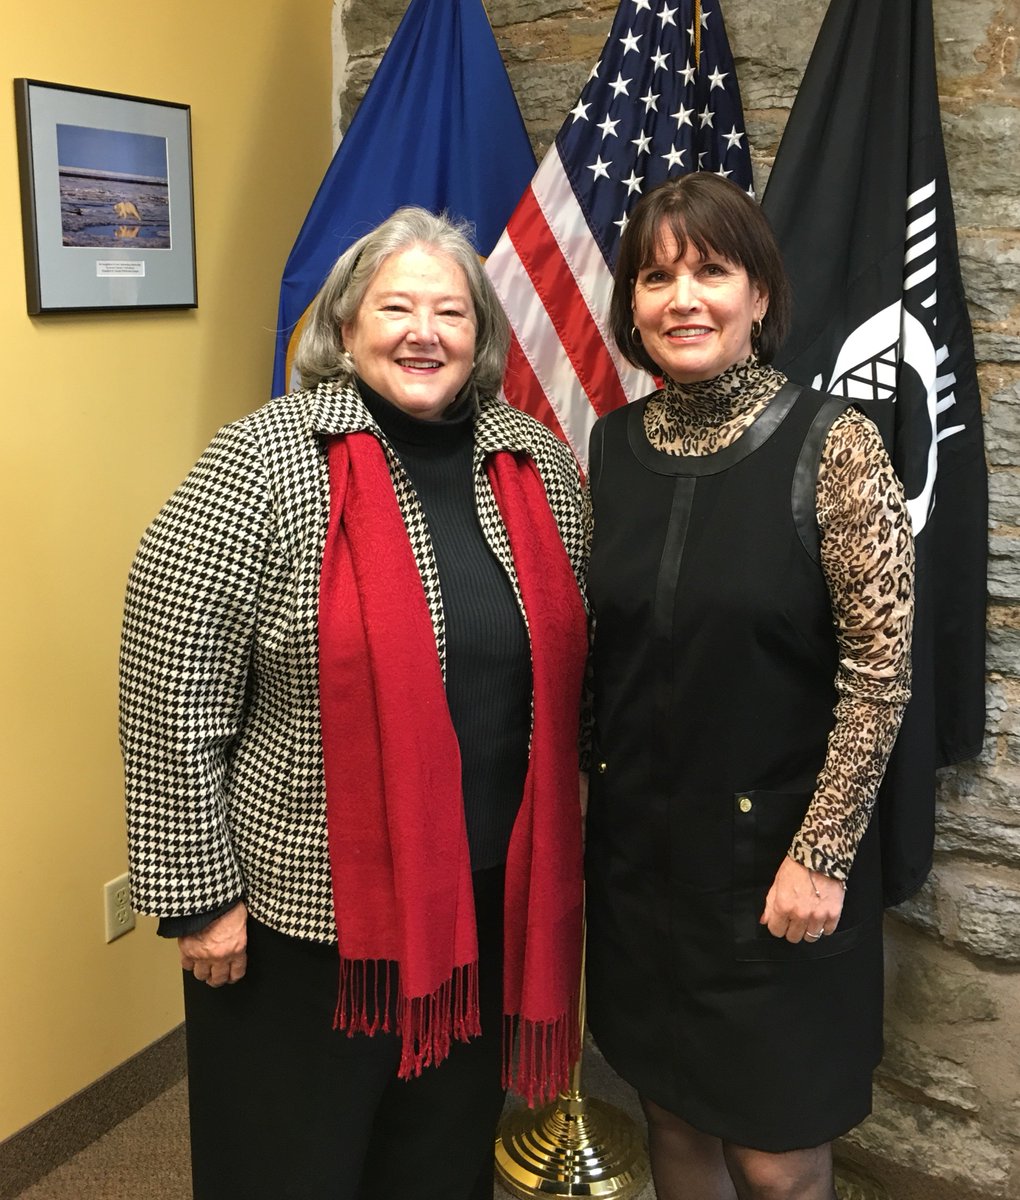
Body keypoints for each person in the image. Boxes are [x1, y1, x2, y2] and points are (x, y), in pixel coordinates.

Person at [119, 207, 589, 1200]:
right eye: (396, 307)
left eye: (450, 311)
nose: (425, 332)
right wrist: (200, 899)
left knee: (438, 1165)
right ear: (345, 324)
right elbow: (169, 685)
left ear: (480, 333)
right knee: (290, 1169)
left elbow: (571, 664)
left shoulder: (535, 463)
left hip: (478, 903)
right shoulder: (264, 458)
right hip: (305, 919)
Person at [583, 174, 915, 1200]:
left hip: (777, 876)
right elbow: (604, 649)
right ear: (632, 306)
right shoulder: (612, 446)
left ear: (759, 294)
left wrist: (821, 855)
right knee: (671, 1114)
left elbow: (880, 672)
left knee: (776, 1161)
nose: (683, 298)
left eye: (712, 271)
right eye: (656, 277)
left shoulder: (838, 444)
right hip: (641, 870)